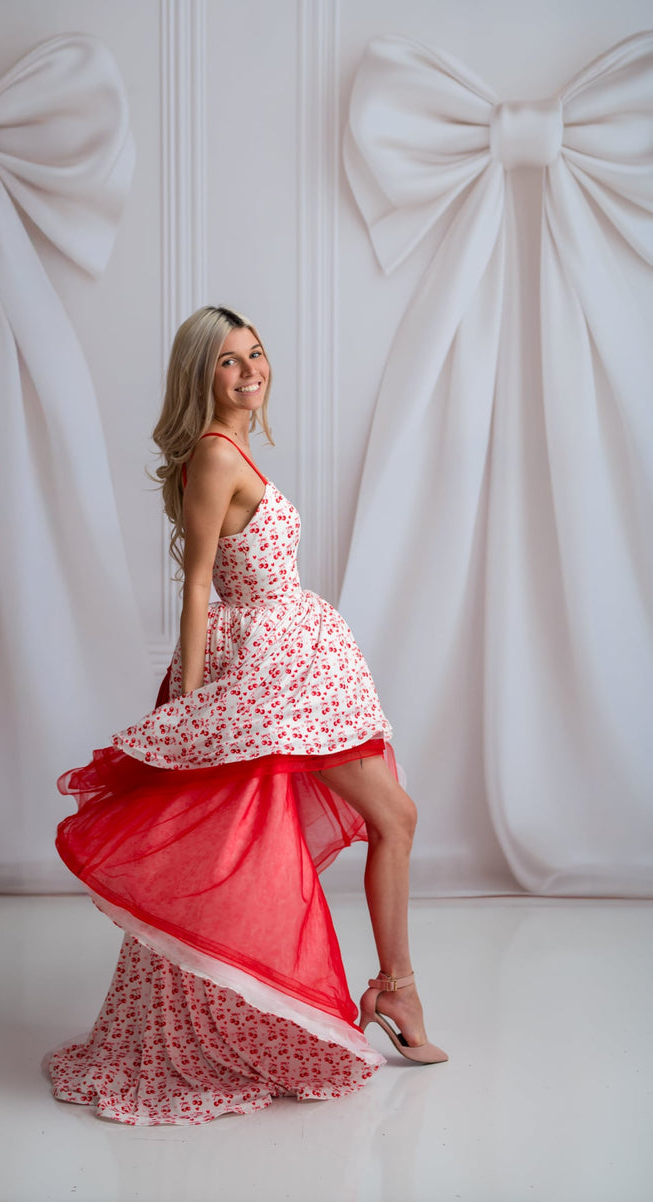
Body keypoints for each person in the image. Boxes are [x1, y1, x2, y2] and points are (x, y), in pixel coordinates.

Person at [48, 305, 446, 1126]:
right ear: (202, 375)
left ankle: (395, 988)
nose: (250, 370)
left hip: (296, 665)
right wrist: (193, 708)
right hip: (268, 678)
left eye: (256, 354)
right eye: (229, 361)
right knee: (376, 820)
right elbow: (198, 583)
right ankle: (392, 990)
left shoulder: (235, 450)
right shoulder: (215, 455)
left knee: (380, 820)